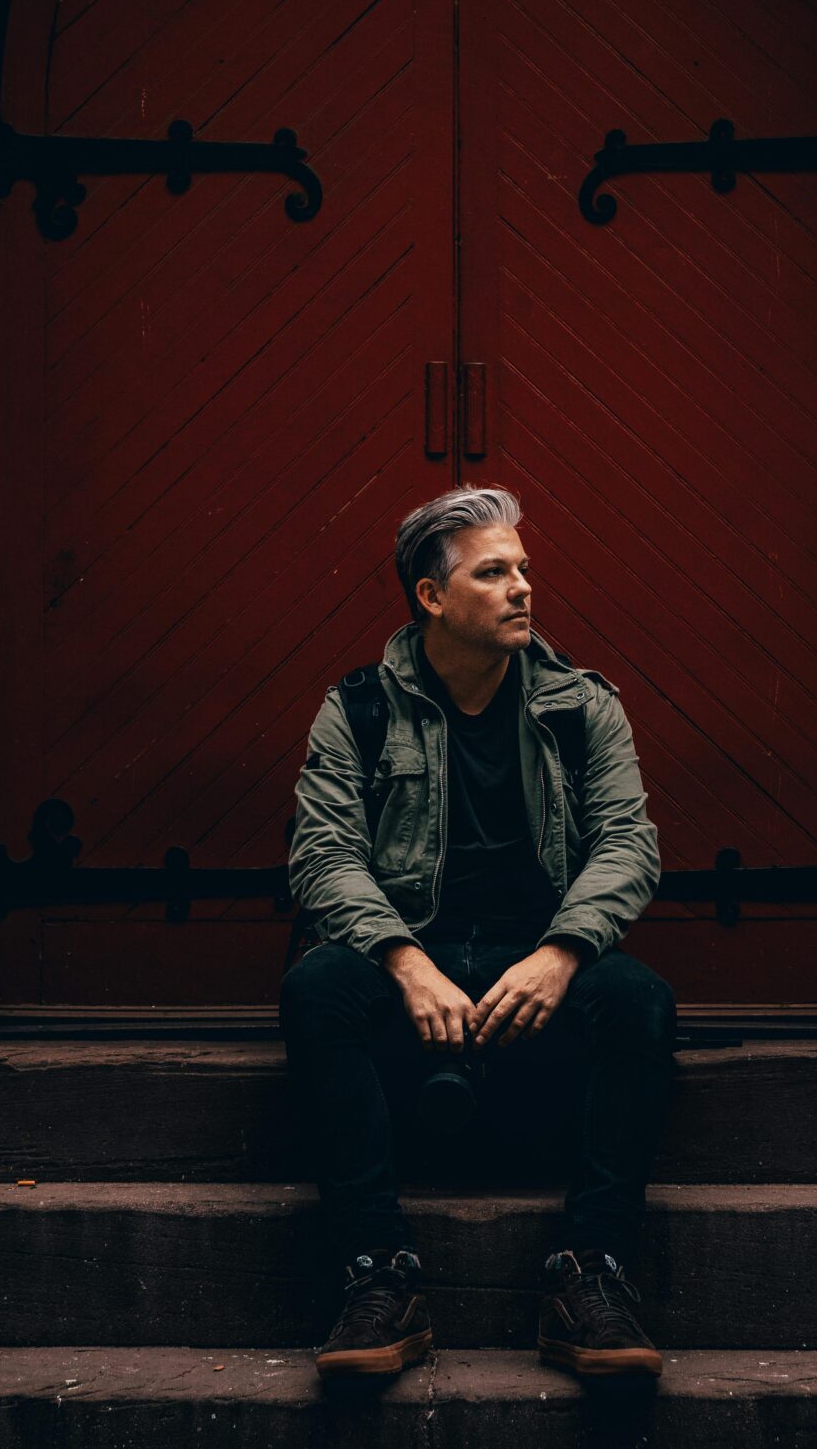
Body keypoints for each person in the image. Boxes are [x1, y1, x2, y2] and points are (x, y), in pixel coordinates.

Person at [281, 484, 676, 1383]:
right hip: (407, 948)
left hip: (532, 953)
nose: (522, 588)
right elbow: (323, 855)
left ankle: (592, 1275)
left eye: (523, 569)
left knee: (640, 1003)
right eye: (492, 572)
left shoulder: (581, 705)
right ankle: (376, 1275)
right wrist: (402, 959)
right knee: (314, 991)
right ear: (431, 596)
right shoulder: (359, 709)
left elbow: (628, 843)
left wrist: (564, 949)